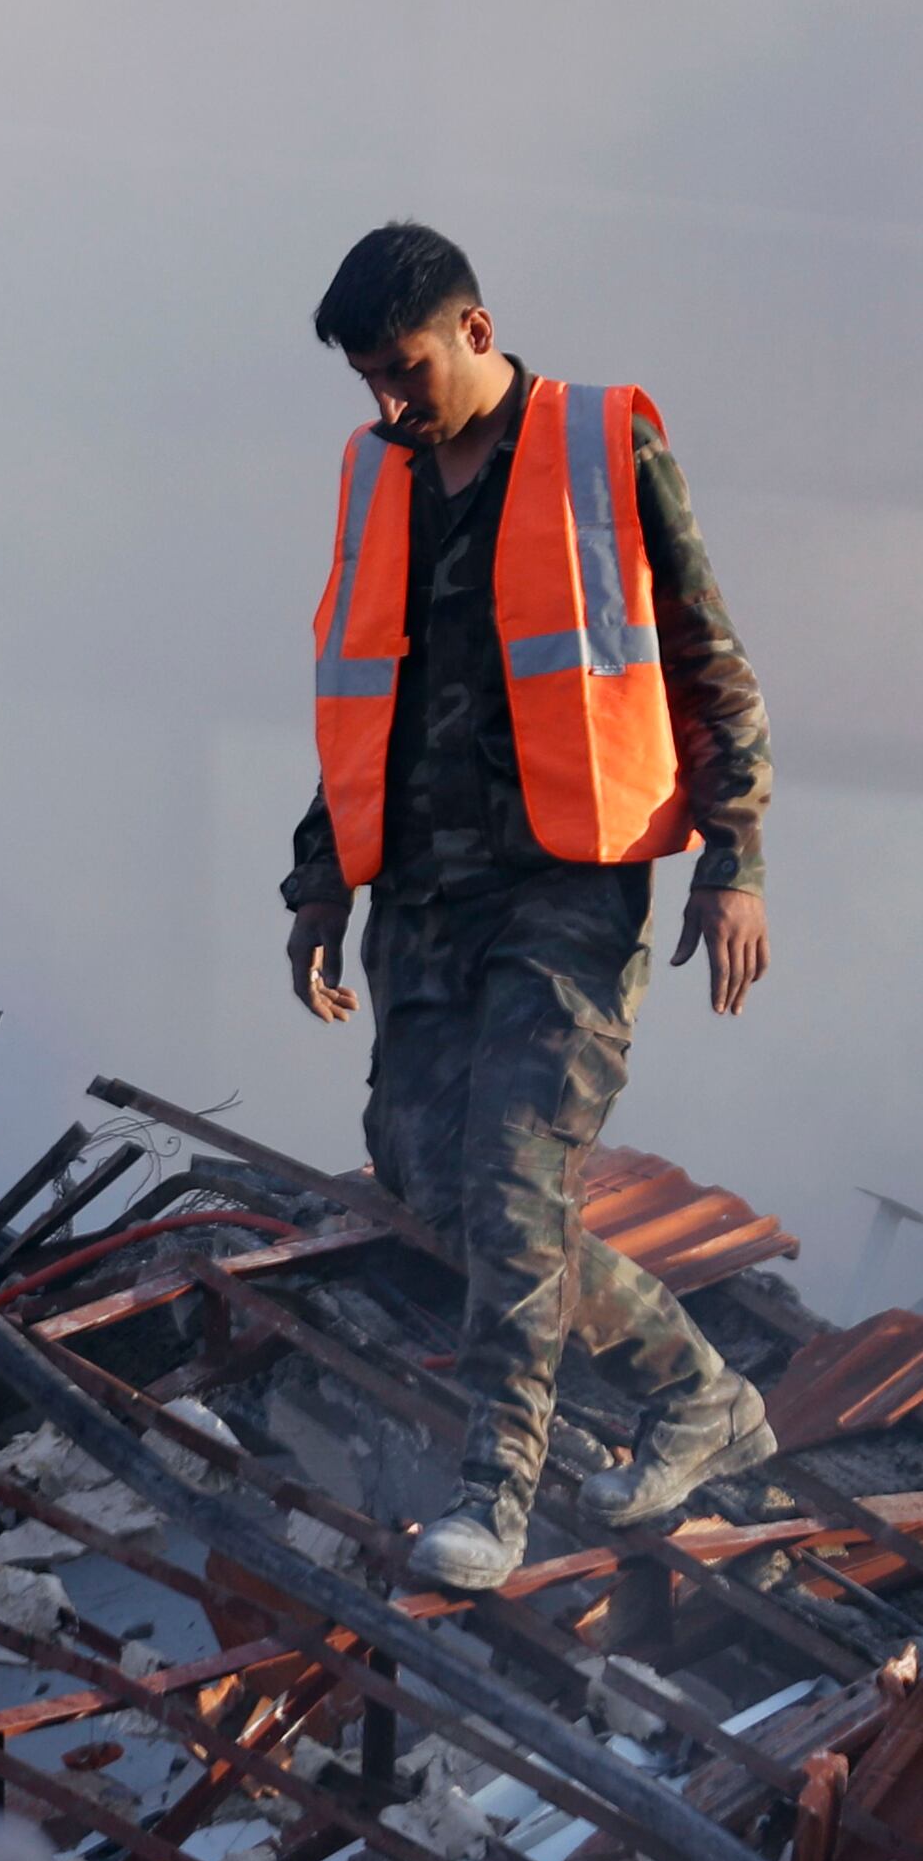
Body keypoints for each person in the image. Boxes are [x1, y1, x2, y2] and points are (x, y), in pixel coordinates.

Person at [282, 222, 776, 1593]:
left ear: (475, 332)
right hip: (424, 901)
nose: (389, 403)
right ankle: (702, 1396)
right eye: (368, 381)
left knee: (513, 1176)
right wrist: (321, 881)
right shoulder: (375, 477)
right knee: (434, 1179)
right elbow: (354, 691)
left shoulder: (601, 444)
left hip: (570, 884)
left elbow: (709, 659)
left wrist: (734, 858)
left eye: (406, 369)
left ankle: (495, 1497)